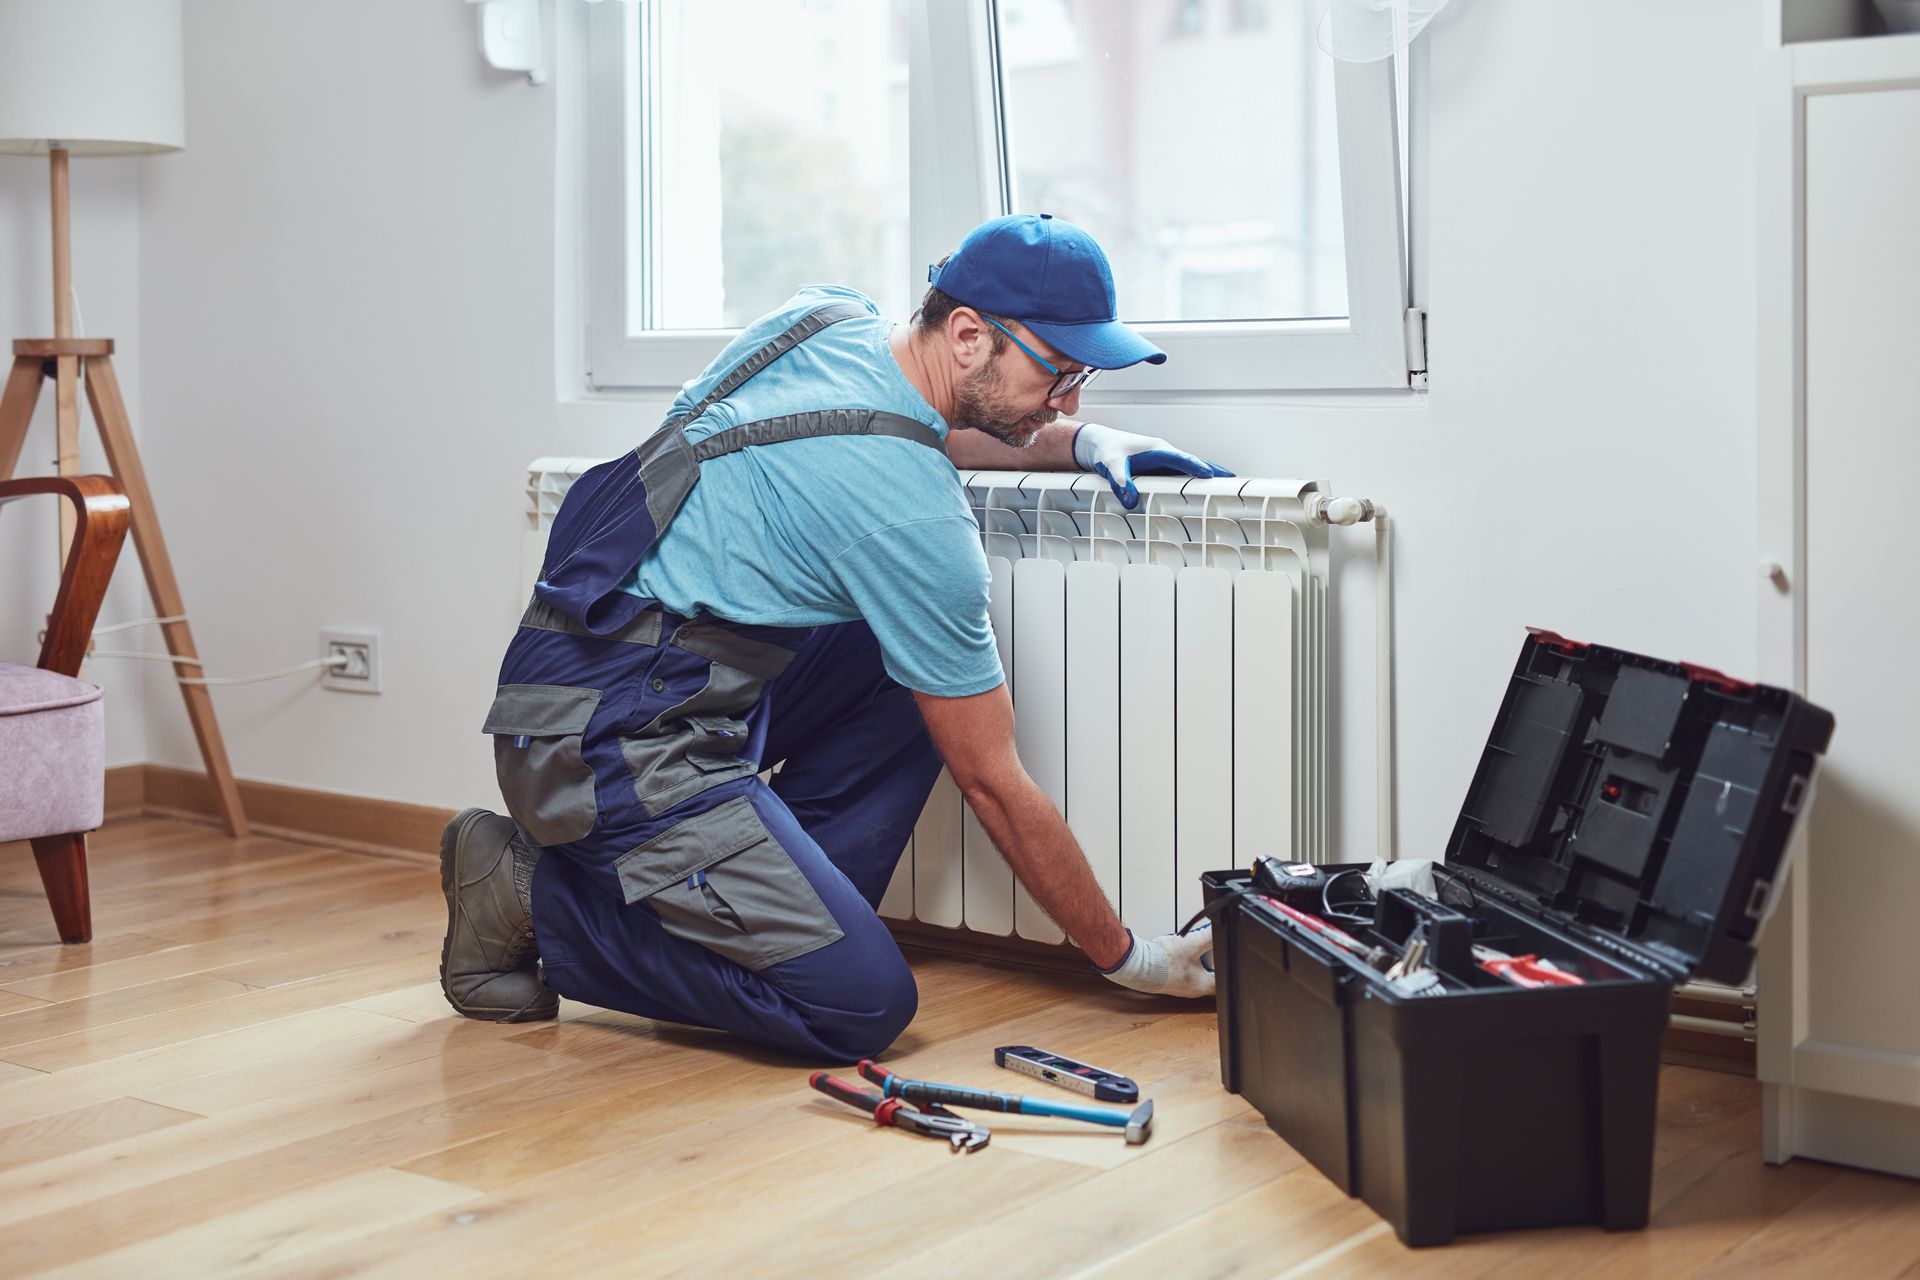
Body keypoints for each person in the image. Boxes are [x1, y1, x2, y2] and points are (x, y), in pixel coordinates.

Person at [440, 213, 1227, 1060]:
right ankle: (526, 893)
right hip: (604, 745)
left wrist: (1074, 443)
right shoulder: (918, 524)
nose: (1071, 399)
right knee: (859, 1007)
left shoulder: (823, 319)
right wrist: (1127, 956)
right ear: (967, 335)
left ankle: (773, 911)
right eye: (1061, 373)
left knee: (904, 672)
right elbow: (991, 780)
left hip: (585, 676)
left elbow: (902, 424)